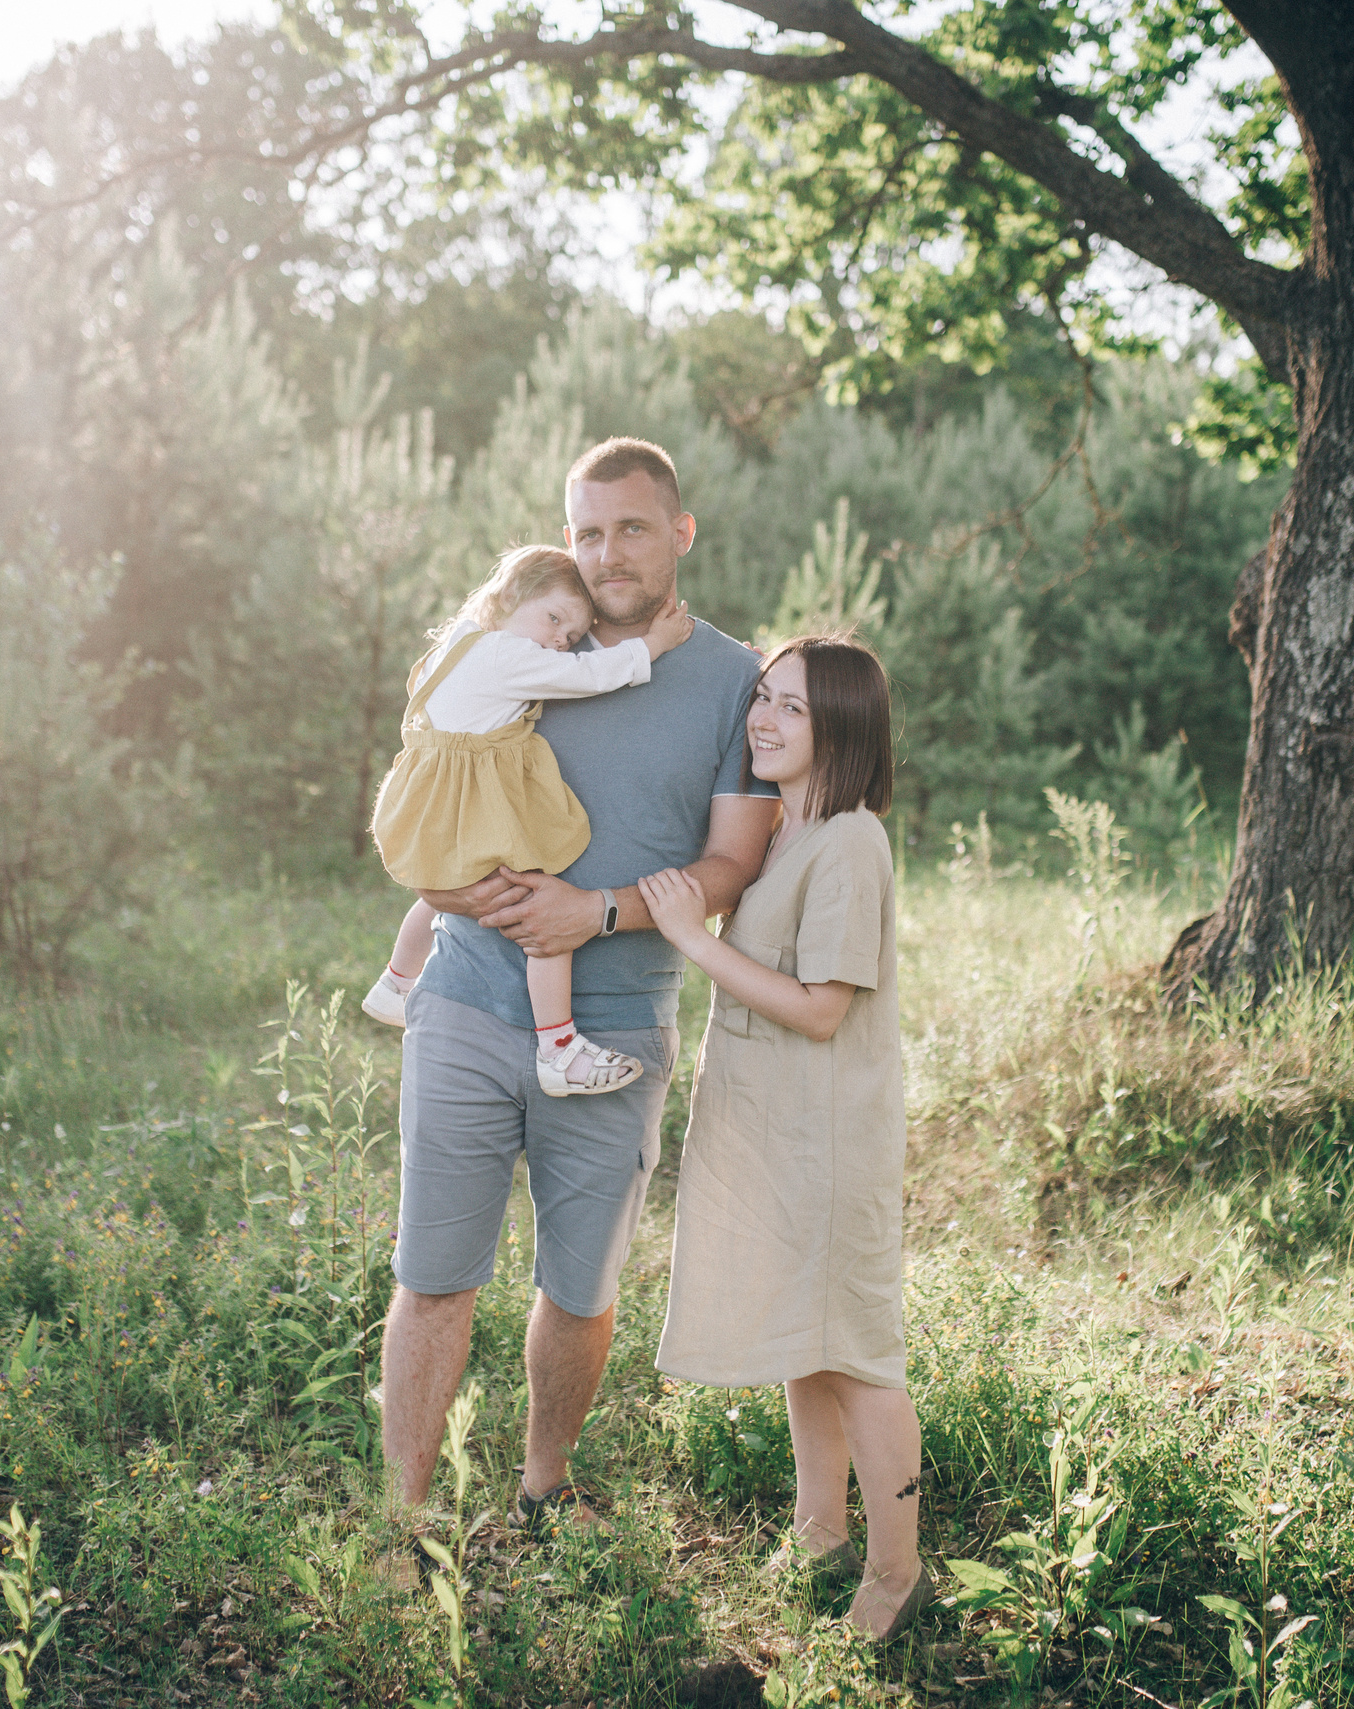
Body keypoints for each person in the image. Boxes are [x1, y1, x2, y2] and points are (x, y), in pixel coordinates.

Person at [379, 438, 783, 1537]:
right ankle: (400, 1522)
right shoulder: (518, 647)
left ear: (680, 531)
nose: (607, 552)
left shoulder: (734, 679)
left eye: (632, 527)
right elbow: (429, 790)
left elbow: (730, 864)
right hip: (465, 999)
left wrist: (593, 912)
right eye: (587, 531)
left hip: (616, 1017)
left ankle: (544, 1485)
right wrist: (461, 900)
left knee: (580, 1283)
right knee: (433, 1272)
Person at [639, 633, 927, 1645]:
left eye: (791, 706)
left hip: (828, 1142)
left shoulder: (850, 839)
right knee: (807, 1345)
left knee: (856, 1353)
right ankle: (818, 1528)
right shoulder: (786, 834)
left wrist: (693, 940)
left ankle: (896, 1575)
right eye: (762, 696)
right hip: (775, 1135)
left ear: (840, 724)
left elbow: (818, 1009)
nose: (762, 717)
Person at [363, 543, 694, 1096]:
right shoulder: (504, 656)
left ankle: (396, 982)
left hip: (438, 807)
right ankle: (559, 1049)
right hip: (472, 803)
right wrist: (653, 645)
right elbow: (590, 676)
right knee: (540, 910)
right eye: (553, 619)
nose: (557, 642)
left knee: (445, 888)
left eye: (568, 635)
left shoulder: (460, 640)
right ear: (509, 596)